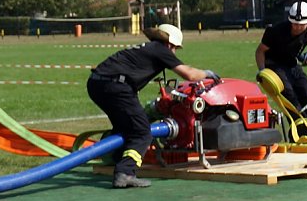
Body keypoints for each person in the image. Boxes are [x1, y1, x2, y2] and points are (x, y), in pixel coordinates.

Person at [87, 24, 218, 189]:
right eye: (175, 48)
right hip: (116, 86)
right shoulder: (160, 49)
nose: (174, 52)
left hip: (97, 84)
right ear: (169, 43)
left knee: (126, 128)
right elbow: (189, 74)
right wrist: (207, 74)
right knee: (142, 132)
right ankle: (125, 172)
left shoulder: (149, 48)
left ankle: (115, 158)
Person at [255, 0, 307, 140]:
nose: (297, 28)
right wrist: (262, 71)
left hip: (292, 64)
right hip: (274, 65)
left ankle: (297, 132)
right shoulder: (275, 31)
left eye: (301, 25)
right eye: (294, 24)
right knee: (290, 97)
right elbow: (260, 51)